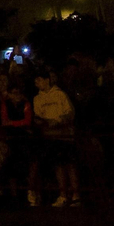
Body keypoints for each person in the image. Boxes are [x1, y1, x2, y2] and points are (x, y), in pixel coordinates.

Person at [33, 72, 80, 207]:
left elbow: (70, 113)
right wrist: (45, 123)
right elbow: (38, 117)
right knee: (58, 165)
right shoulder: (38, 98)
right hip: (51, 137)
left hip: (65, 136)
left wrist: (58, 121)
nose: (37, 83)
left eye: (39, 79)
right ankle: (63, 194)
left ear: (47, 80)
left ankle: (76, 195)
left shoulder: (60, 94)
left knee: (70, 165)